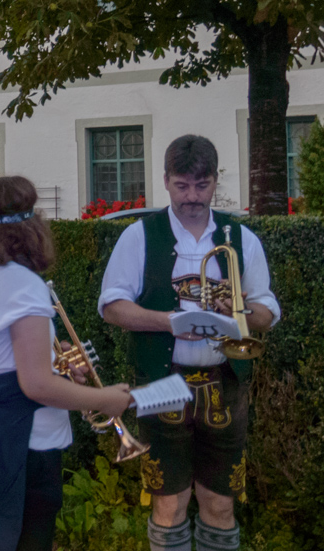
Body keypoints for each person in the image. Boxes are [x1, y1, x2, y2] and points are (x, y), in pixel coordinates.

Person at [97, 135, 280, 551]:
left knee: (220, 506)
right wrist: (167, 322)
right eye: (182, 186)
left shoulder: (241, 237)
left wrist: (237, 316)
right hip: (162, 384)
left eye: (202, 185)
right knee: (169, 505)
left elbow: (267, 311)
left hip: (226, 383)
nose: (192, 197)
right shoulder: (140, 236)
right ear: (165, 180)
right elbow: (111, 307)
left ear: (216, 180)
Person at [0, 174, 133, 551]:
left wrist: (55, 358)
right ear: (33, 225)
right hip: (25, 443)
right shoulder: (22, 284)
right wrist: (106, 400)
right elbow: (36, 385)